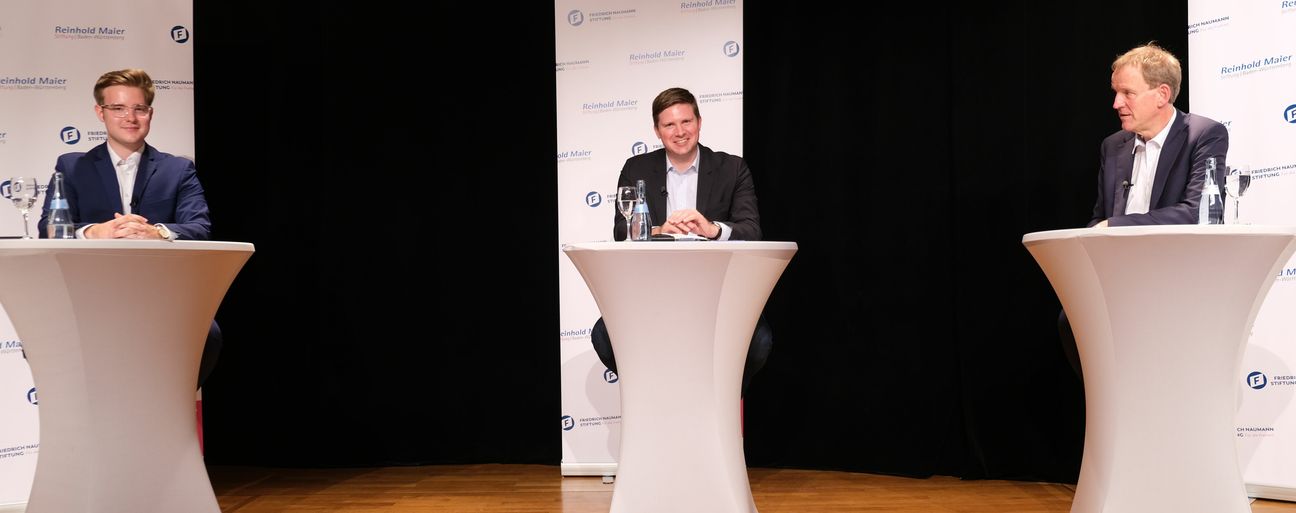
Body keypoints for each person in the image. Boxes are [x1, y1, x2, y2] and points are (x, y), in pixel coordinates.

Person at [36, 68, 221, 388]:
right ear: (100, 112)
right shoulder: (72, 165)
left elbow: (200, 226)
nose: (130, 117)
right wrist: (95, 231)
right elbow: (49, 228)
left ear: (150, 113)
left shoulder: (178, 169)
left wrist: (158, 232)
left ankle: (170, 399)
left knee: (211, 333)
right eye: (118, 108)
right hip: (91, 290)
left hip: (161, 292)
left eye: (139, 109)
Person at [1060, 44, 1230, 377]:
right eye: (1116, 92)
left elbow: (1197, 212)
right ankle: (1109, 393)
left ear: (1161, 94)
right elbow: (1099, 217)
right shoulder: (1113, 146)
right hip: (1120, 274)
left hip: (1175, 273)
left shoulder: (1204, 135)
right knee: (1071, 318)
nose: (1116, 103)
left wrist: (1114, 225)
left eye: (1127, 93)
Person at [595, 87, 770, 395]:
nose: (680, 132)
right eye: (669, 125)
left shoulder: (732, 168)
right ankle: (655, 393)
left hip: (715, 292)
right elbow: (621, 233)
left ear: (699, 123)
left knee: (760, 341)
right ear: (657, 130)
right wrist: (659, 229)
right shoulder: (636, 169)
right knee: (602, 336)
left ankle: (720, 397)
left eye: (686, 122)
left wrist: (711, 228)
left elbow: (751, 230)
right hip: (654, 291)